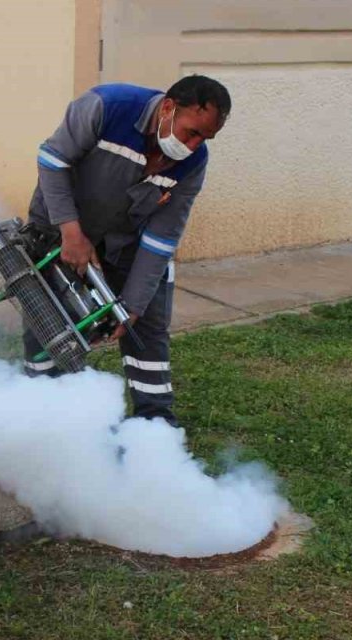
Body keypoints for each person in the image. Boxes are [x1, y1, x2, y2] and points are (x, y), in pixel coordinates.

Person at [24, 77, 231, 427]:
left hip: (128, 241)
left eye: (205, 139)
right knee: (48, 315)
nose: (194, 146)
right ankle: (39, 407)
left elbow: (162, 238)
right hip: (61, 224)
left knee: (146, 325)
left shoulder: (194, 163)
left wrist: (133, 305)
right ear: (168, 108)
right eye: (191, 132)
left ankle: (155, 424)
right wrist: (71, 232)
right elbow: (52, 160)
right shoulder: (106, 106)